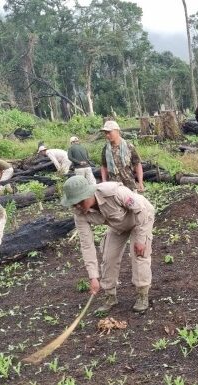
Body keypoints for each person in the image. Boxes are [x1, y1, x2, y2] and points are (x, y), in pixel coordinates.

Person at [61, 176, 154, 314]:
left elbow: (141, 210)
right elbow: (87, 245)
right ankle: (110, 296)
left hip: (141, 218)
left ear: (89, 193)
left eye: (80, 202)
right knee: (108, 257)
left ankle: (142, 294)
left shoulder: (113, 191)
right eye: (74, 204)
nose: (78, 207)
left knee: (139, 255)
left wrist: (141, 240)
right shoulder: (79, 214)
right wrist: (93, 277)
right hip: (118, 225)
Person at [99, 120, 144, 192]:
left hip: (129, 186)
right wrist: (104, 181)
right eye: (106, 133)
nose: (107, 135)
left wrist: (140, 182)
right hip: (114, 187)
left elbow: (137, 164)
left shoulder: (129, 146)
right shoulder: (106, 149)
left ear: (117, 131)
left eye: (109, 132)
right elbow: (104, 166)